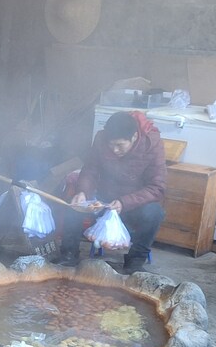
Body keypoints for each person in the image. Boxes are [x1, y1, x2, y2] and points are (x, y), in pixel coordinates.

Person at [58, 110, 166, 273]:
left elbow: (157, 188)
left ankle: (135, 262)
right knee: (74, 206)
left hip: (133, 204)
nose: (115, 150)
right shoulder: (101, 139)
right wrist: (83, 193)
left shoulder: (151, 144)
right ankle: (68, 255)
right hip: (103, 200)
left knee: (155, 212)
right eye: (111, 145)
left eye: (120, 145)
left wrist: (125, 202)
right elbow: (90, 170)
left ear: (134, 137)